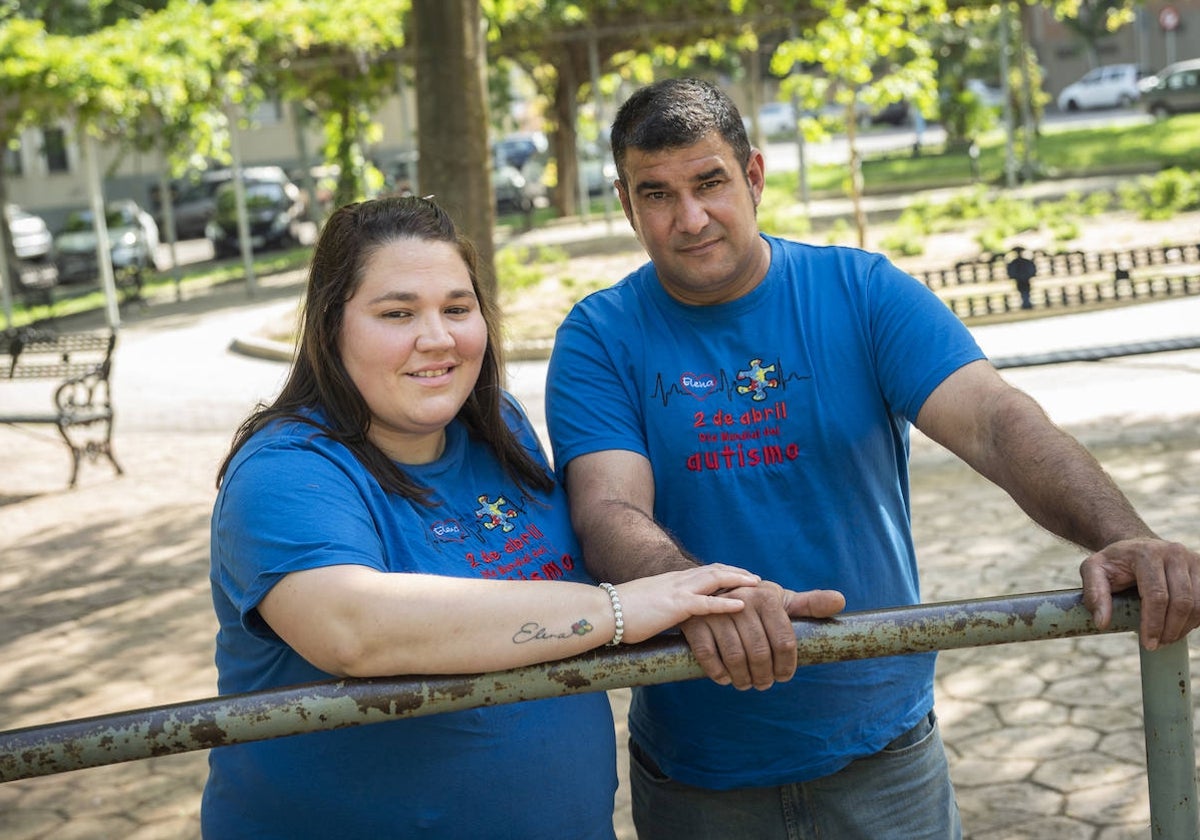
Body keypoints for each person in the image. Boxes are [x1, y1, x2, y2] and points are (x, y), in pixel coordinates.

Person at [545, 77, 1200, 839]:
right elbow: (607, 509)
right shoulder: (600, 335)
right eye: (656, 194)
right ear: (626, 206)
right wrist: (709, 594)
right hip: (699, 776)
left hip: (886, 755)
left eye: (710, 182)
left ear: (753, 177)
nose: (689, 219)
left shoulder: (858, 291)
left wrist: (1120, 534)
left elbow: (997, 422)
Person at [202, 195, 764, 839]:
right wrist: (615, 610)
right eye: (397, 313)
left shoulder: (500, 430)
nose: (437, 337)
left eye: (457, 309)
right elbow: (351, 627)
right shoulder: (284, 470)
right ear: (331, 326)